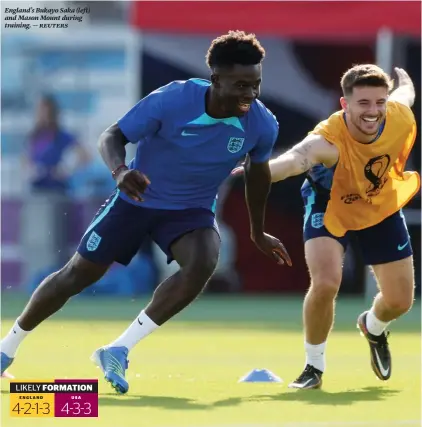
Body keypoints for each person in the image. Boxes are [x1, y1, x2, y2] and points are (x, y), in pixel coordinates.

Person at [0, 31, 291, 393]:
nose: (250, 94)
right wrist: (121, 172)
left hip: (191, 211)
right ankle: (6, 350)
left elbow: (258, 176)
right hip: (137, 199)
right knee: (76, 276)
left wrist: (257, 231)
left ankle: (118, 349)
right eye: (241, 85)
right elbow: (112, 136)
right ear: (216, 79)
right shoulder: (173, 98)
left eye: (256, 84)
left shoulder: (262, 124)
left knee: (203, 262)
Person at [233, 64, 419, 389]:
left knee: (400, 302)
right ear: (345, 104)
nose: (373, 111)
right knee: (326, 281)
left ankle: (373, 326)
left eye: (379, 102)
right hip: (330, 204)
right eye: (363, 103)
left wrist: (405, 84)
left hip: (379, 203)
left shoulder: (398, 114)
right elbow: (292, 162)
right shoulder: (327, 140)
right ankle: (313, 367)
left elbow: (406, 95)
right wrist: (259, 171)